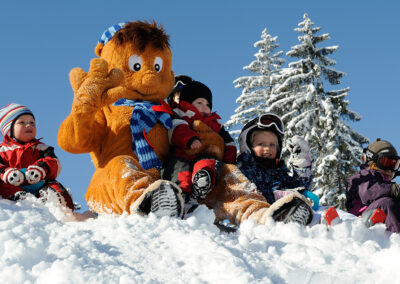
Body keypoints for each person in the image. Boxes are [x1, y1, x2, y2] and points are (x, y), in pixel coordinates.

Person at [161, 80, 237, 205]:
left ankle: (202, 181)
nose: (204, 107)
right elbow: (178, 128)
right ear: (187, 102)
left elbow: (228, 142)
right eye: (199, 103)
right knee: (179, 169)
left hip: (204, 154)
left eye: (208, 104)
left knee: (209, 163)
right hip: (182, 154)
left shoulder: (215, 123)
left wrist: (229, 160)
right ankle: (179, 194)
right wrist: (190, 139)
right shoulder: (181, 114)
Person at [236, 113, 314, 225]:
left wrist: (301, 164)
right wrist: (278, 195)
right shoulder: (245, 171)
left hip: (284, 218)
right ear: (248, 146)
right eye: (261, 144)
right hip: (257, 222)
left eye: (272, 145)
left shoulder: (279, 172)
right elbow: (249, 196)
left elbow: (301, 187)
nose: (267, 148)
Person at [0, 103, 74, 210]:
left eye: (32, 122)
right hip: (11, 185)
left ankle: (60, 205)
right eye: (22, 122)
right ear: (8, 129)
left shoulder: (41, 148)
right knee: (2, 185)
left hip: (38, 184)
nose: (29, 125)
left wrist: (40, 168)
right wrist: (6, 172)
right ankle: (19, 196)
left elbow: (54, 163)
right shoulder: (2, 151)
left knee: (54, 185)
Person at [346, 138, 400, 233]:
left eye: (394, 165)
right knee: (386, 203)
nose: (390, 170)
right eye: (386, 162)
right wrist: (393, 189)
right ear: (373, 161)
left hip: (383, 224)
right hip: (362, 222)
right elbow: (369, 191)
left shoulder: (388, 185)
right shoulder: (362, 177)